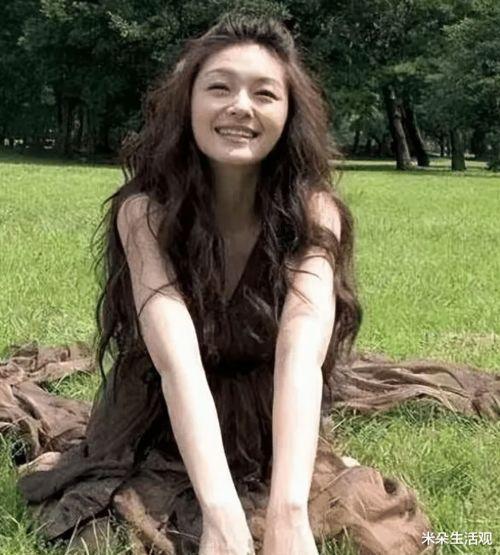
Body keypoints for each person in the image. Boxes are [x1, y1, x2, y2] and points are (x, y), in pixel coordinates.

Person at [18, 14, 433, 555]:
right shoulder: (145, 213)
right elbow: (177, 361)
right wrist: (219, 512)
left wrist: (289, 512)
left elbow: (301, 354)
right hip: (160, 416)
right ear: (188, 103)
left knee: (336, 520)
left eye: (265, 93)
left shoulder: (315, 212)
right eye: (219, 88)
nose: (240, 106)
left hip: (265, 411)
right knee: (134, 524)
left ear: (289, 113)